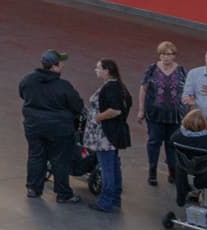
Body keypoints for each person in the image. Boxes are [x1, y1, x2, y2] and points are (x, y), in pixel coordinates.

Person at [17, 50, 84, 203]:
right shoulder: (63, 86)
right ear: (54, 66)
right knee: (60, 160)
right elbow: (77, 106)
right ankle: (63, 193)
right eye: (60, 63)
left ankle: (33, 188)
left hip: (34, 125)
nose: (63, 65)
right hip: (59, 129)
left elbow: (22, 94)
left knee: (36, 155)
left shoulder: (27, 81)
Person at [84, 59, 131, 212]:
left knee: (107, 168)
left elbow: (115, 110)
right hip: (113, 133)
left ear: (107, 70)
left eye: (98, 68)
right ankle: (115, 198)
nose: (95, 70)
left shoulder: (111, 88)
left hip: (106, 135)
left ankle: (106, 201)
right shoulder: (118, 86)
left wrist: (97, 117)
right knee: (113, 165)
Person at [139, 42, 188, 188]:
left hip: (175, 115)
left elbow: (188, 91)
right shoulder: (152, 69)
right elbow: (143, 89)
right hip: (155, 114)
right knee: (154, 142)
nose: (166, 57)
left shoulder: (182, 71)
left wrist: (188, 112)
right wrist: (141, 110)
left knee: (172, 144)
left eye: (169, 54)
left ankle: (172, 172)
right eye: (163, 54)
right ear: (159, 55)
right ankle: (152, 172)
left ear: (174, 55)